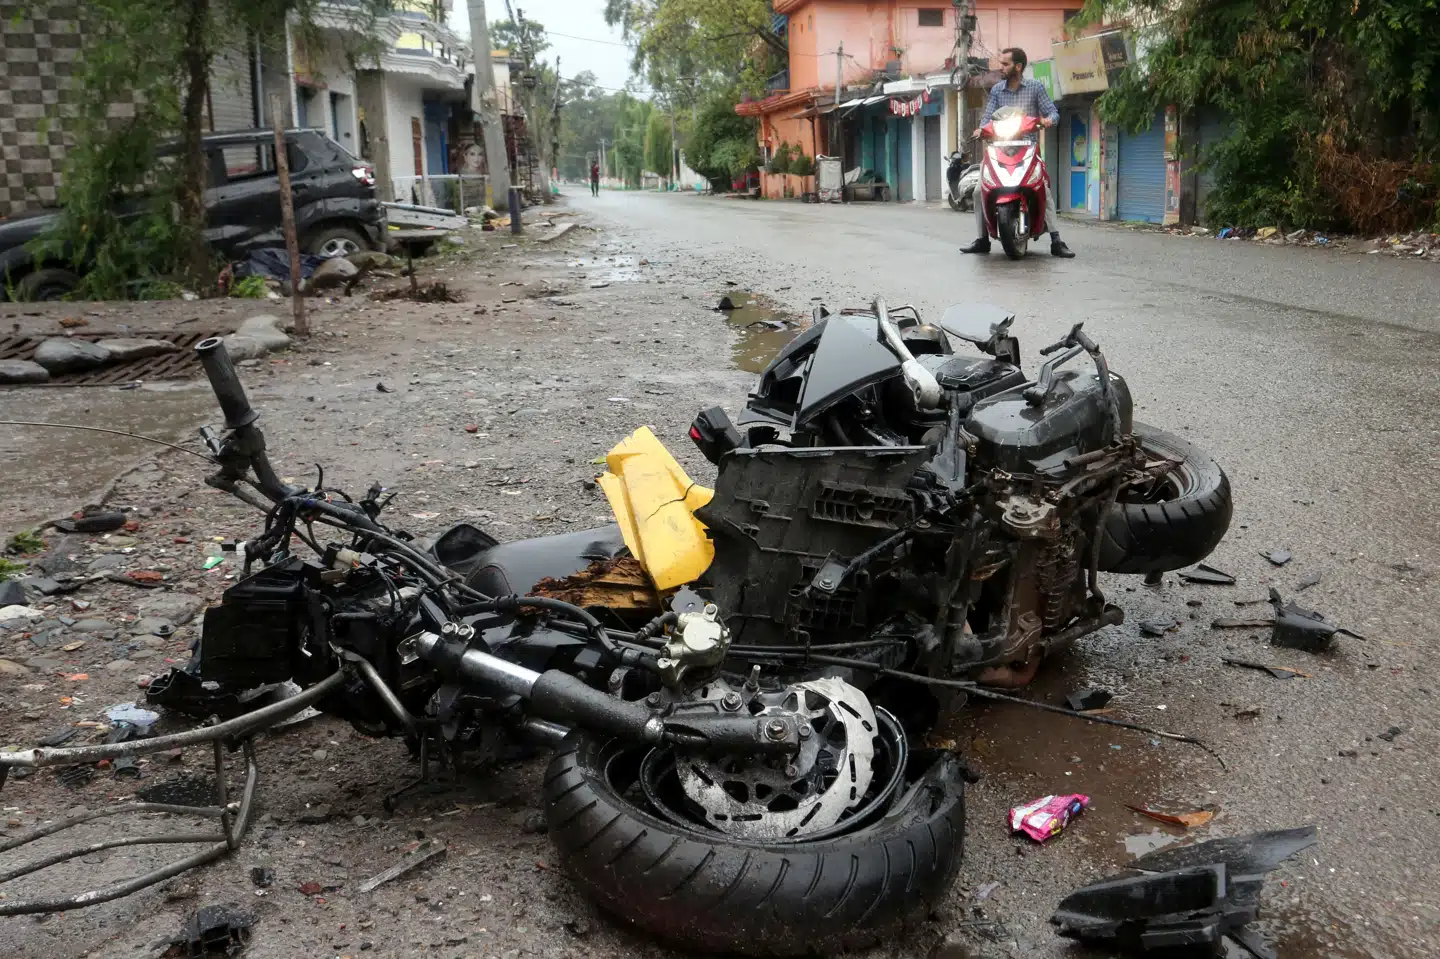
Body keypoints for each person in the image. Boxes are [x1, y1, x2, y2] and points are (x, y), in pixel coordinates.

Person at [961, 47, 1074, 258]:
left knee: (1044, 190)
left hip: (1027, 148)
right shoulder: (996, 91)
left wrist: (1049, 120)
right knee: (978, 191)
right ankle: (982, 239)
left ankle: (1056, 240)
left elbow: (1052, 112)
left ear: (1018, 66)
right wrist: (980, 128)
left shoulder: (1035, 88)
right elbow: (987, 118)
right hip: (999, 149)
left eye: (1005, 64)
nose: (1001, 68)